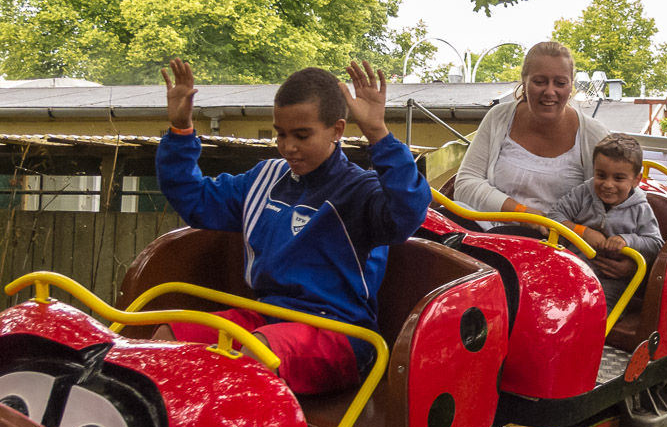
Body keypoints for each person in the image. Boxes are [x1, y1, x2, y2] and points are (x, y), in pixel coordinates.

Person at [154, 58, 432, 394]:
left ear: (337, 130)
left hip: (339, 335)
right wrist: (181, 130)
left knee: (255, 354)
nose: (288, 147)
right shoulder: (263, 179)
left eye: (301, 135)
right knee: (169, 336)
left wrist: (378, 134)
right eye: (281, 134)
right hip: (266, 318)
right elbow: (195, 201)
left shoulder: (360, 190)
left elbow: (408, 213)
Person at [454, 41, 610, 224]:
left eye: (560, 83)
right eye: (539, 82)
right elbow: (464, 184)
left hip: (556, 244)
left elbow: (612, 205)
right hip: (488, 235)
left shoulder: (594, 136)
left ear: (571, 85)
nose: (550, 92)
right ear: (524, 81)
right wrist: (523, 214)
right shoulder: (499, 117)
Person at [547, 133, 664, 308]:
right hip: (569, 269)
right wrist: (584, 232)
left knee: (597, 308)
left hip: (610, 280)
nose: (608, 185)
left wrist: (627, 240)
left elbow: (655, 244)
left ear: (636, 180)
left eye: (618, 178)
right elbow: (554, 216)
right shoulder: (583, 193)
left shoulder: (640, 208)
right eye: (601, 176)